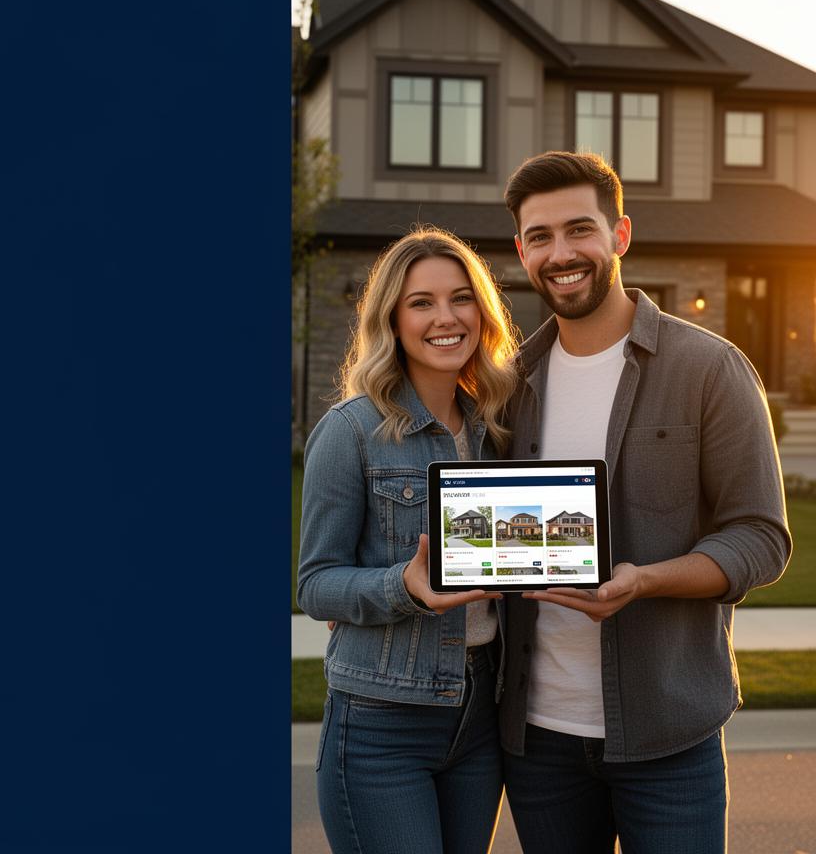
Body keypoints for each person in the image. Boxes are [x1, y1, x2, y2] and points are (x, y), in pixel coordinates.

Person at [498, 150, 792, 854]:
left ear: (620, 236)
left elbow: (761, 537)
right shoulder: (507, 385)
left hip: (669, 737)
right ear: (521, 251)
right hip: (538, 744)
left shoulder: (708, 369)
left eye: (580, 230)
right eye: (540, 237)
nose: (561, 254)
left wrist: (645, 581)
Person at [297, 225, 519, 854]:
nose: (445, 318)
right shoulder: (352, 430)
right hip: (380, 721)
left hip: (479, 714)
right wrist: (407, 587)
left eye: (461, 298)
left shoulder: (494, 430)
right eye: (421, 302)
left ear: (483, 311)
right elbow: (315, 585)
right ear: (392, 319)